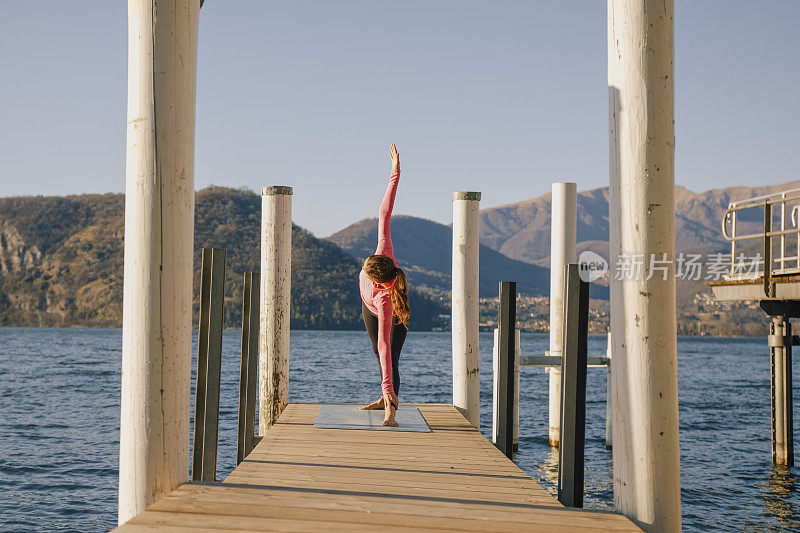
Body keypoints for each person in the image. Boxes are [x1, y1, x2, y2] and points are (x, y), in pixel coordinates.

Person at [358, 144, 410, 427]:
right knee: (377, 354)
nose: (363, 271)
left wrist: (387, 387)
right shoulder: (384, 250)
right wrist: (394, 172)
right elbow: (384, 212)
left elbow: (384, 344)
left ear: (377, 280)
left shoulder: (386, 300)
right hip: (368, 308)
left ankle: (391, 405)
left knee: (390, 353)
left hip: (388, 312)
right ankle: (384, 397)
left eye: (367, 272)